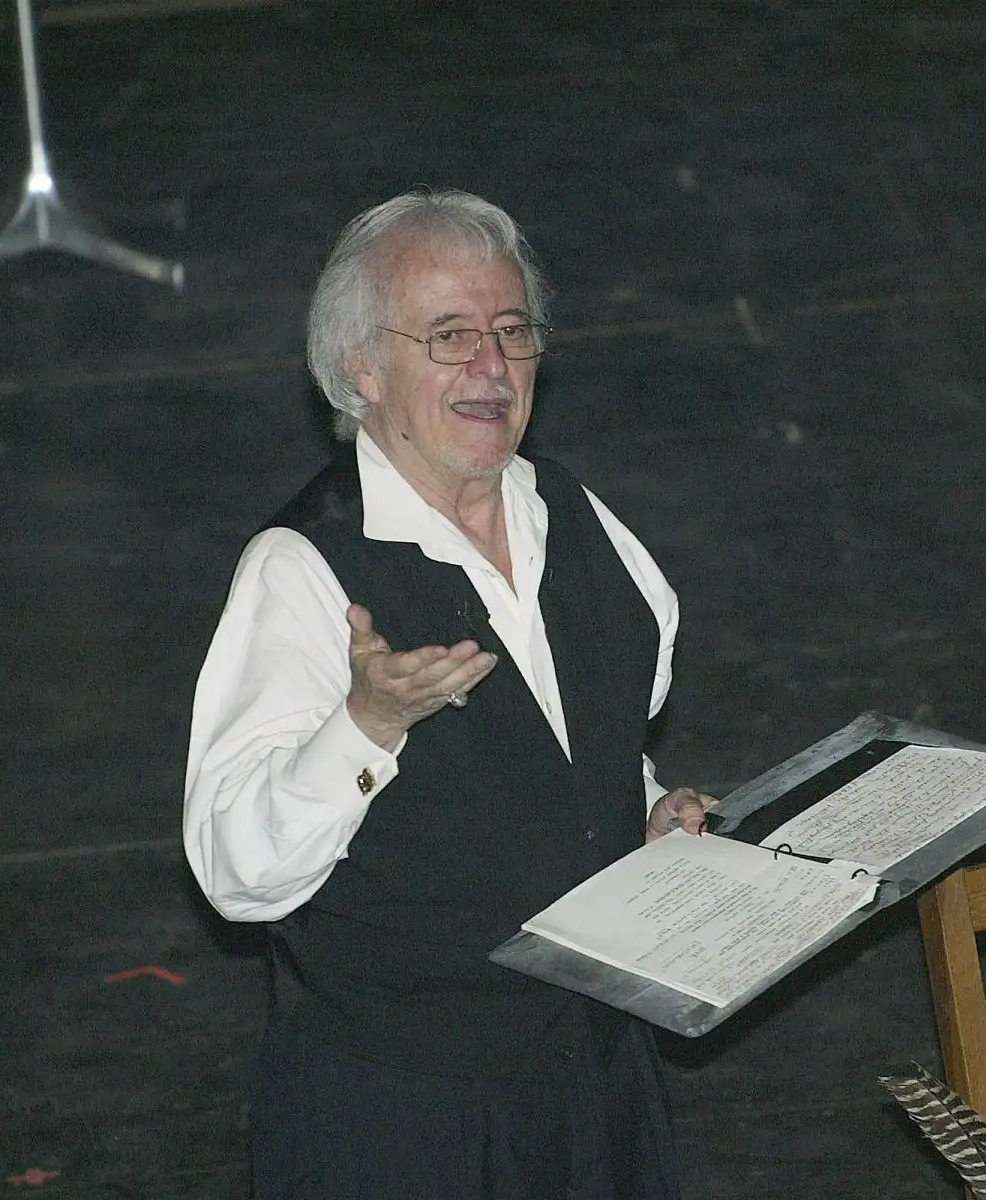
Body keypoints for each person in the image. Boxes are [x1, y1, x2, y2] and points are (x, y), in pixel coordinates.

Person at [183, 187, 711, 1200]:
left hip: (599, 1083)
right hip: (405, 1115)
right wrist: (368, 722)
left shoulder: (582, 519)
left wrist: (645, 815)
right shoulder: (303, 572)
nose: (491, 368)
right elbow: (233, 870)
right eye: (450, 335)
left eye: (512, 332)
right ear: (360, 370)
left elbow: (588, 746)